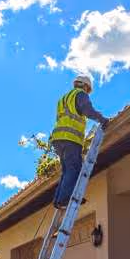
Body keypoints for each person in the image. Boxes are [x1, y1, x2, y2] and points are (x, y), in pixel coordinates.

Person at [50, 74, 109, 210]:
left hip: (58, 139)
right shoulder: (80, 95)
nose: (88, 92)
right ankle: (65, 199)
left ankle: (58, 200)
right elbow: (88, 111)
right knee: (74, 168)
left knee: (66, 170)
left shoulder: (63, 99)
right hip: (71, 139)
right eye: (88, 90)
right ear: (85, 86)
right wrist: (102, 119)